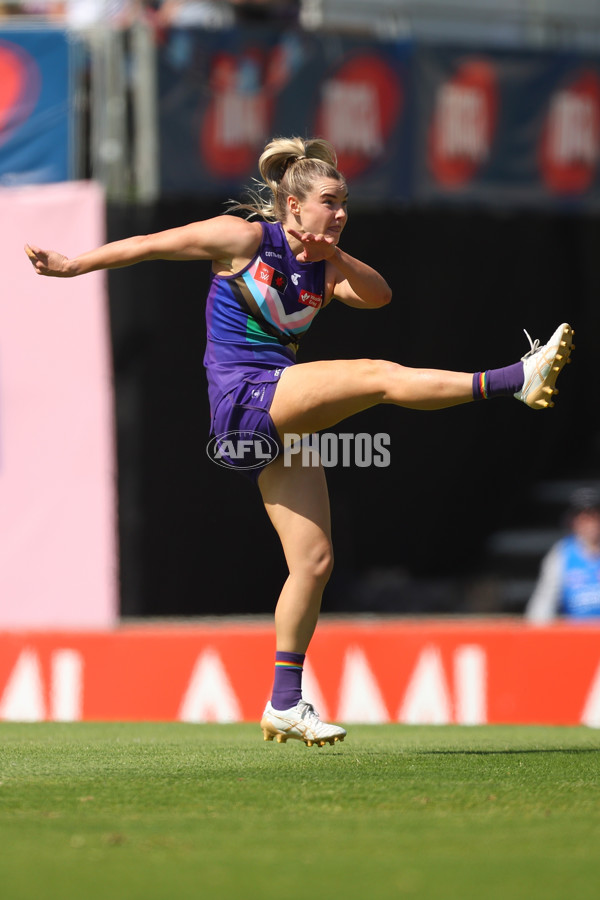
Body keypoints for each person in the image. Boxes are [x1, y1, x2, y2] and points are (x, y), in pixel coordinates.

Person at [25, 135, 574, 746]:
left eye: (344, 204)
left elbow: (379, 295)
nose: (340, 213)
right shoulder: (244, 239)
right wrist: (74, 264)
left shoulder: (324, 265)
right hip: (243, 402)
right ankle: (513, 379)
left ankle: (285, 702)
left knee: (313, 563)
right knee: (379, 376)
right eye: (329, 202)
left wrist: (334, 256)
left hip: (272, 418)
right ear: (292, 205)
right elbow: (152, 245)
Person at [525, 487, 600, 623]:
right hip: (575, 636)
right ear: (573, 522)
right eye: (583, 518)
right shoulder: (562, 553)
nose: (590, 524)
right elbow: (544, 601)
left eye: (594, 517)